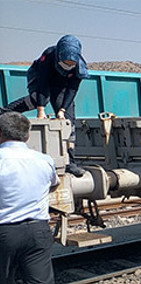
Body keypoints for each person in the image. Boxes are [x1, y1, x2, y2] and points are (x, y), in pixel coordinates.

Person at [0, 112, 60, 284]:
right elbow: (53, 185)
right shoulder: (43, 160)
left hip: (3, 232)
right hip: (37, 231)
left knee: (3, 283)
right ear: (26, 135)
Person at [0, 35, 88, 177]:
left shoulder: (79, 67)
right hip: (40, 78)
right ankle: (3, 112)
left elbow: (72, 90)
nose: (69, 66)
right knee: (37, 99)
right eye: (66, 63)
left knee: (69, 121)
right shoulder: (48, 56)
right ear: (59, 55)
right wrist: (41, 110)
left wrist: (62, 110)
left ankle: (70, 163)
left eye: (71, 64)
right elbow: (42, 82)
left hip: (61, 85)